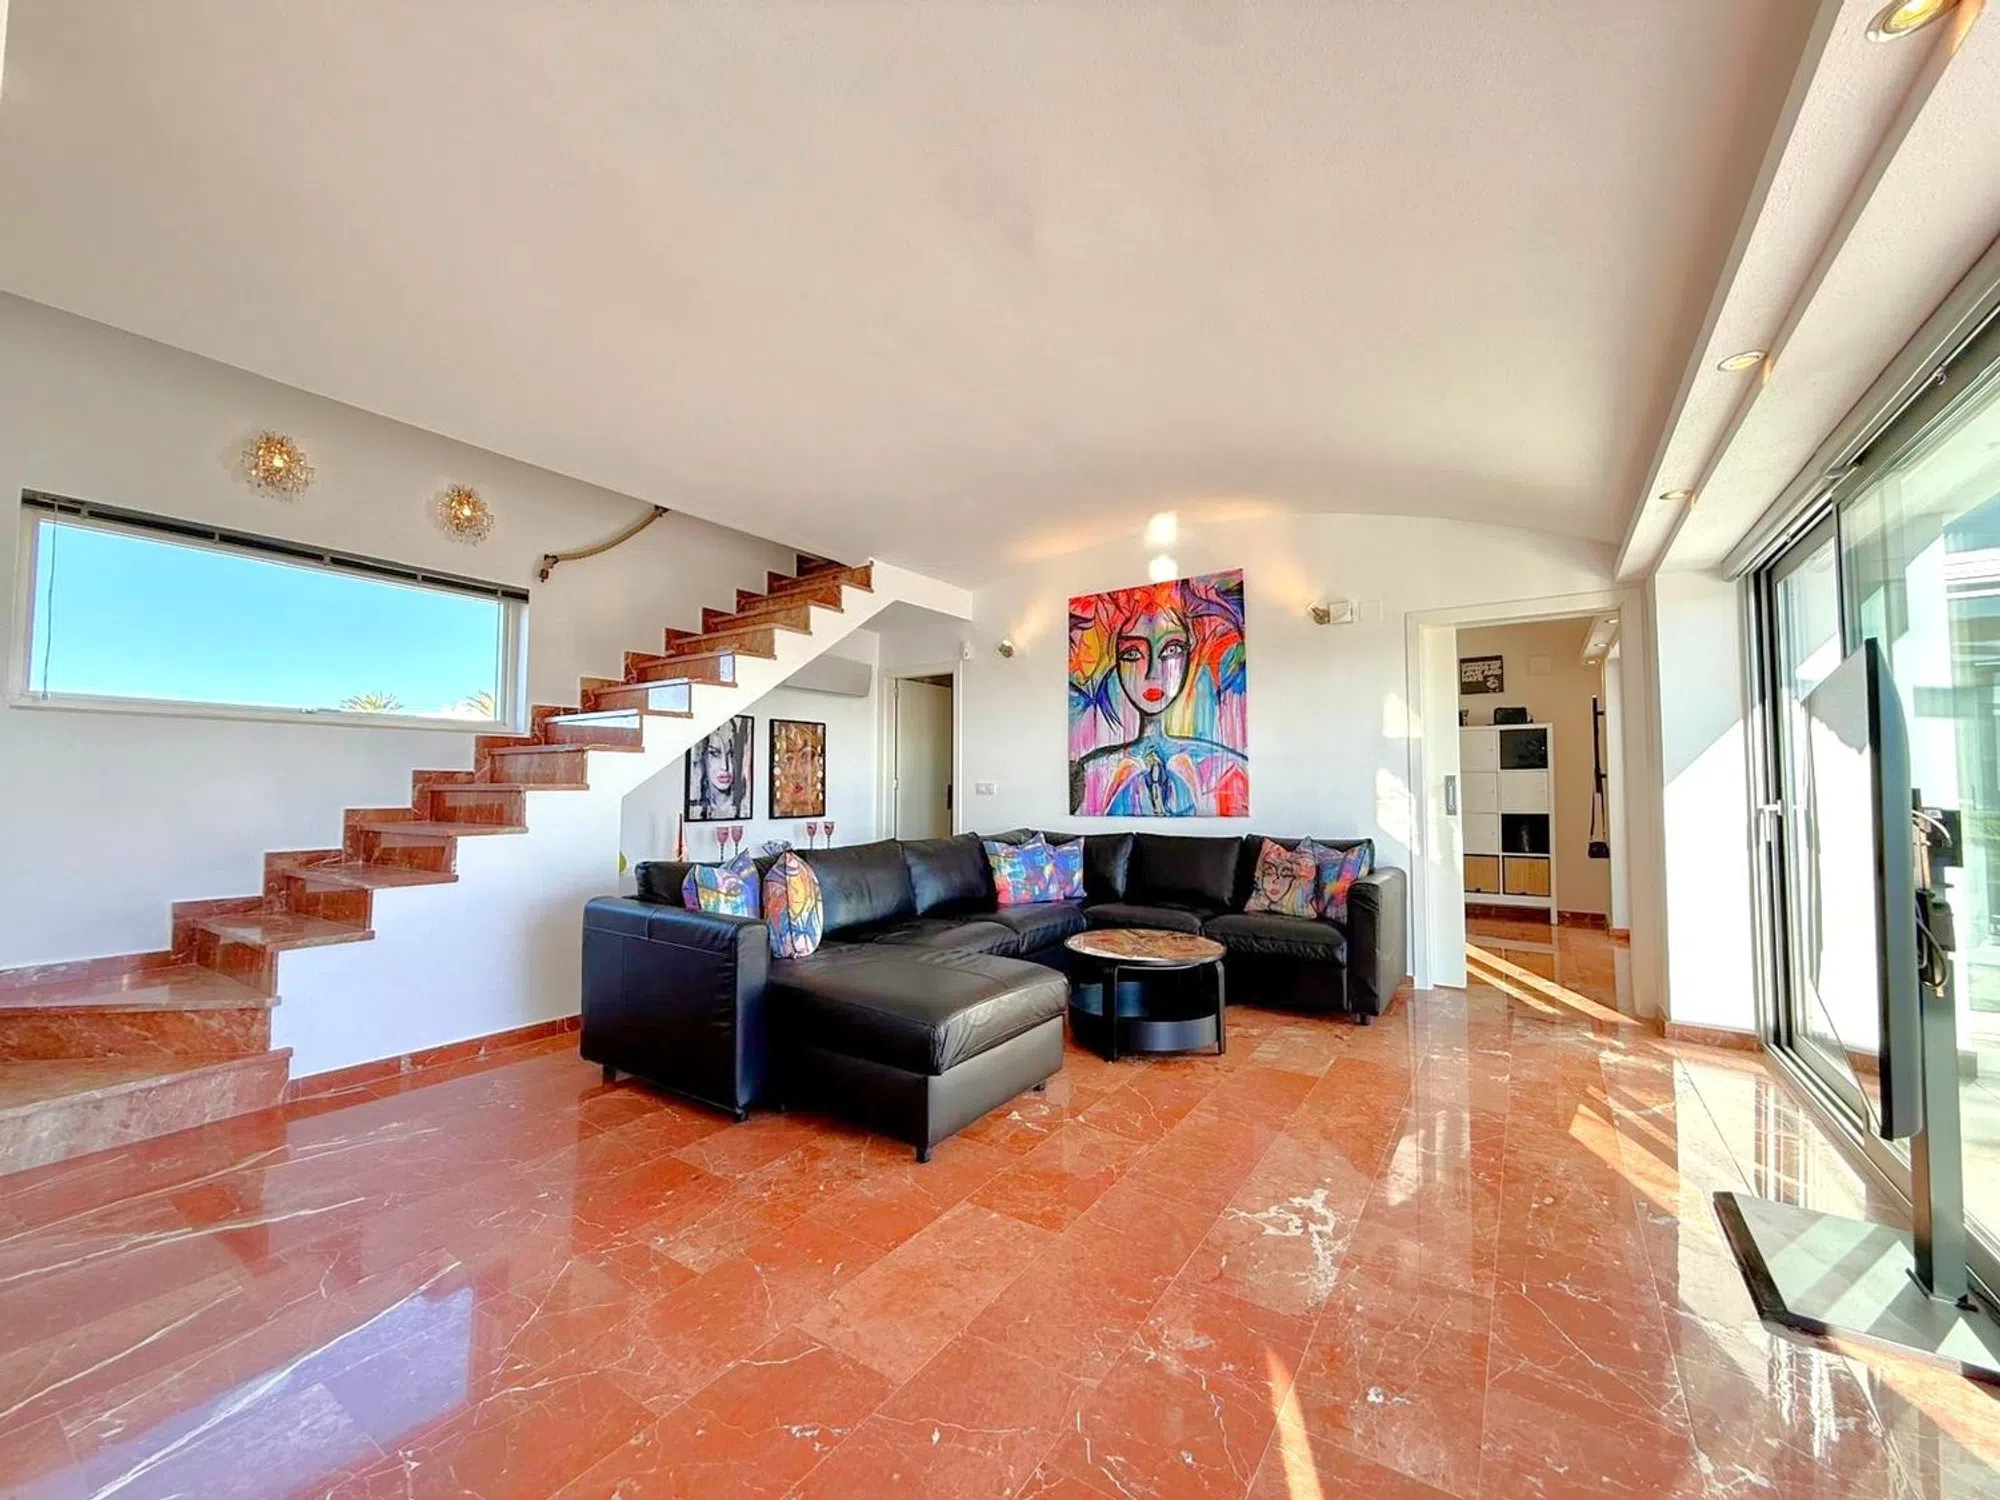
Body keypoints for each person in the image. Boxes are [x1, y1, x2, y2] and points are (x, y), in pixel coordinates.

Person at [1071, 590, 1247, 816]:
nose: (1152, 673)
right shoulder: (1091, 772)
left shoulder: (1228, 768)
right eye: (1132, 653)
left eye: (1172, 649)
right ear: (1116, 661)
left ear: (1190, 654)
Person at [690, 719, 750, 819]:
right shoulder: (696, 810)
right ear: (704, 757)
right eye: (715, 754)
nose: (724, 766)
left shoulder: (744, 808)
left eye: (731, 754)